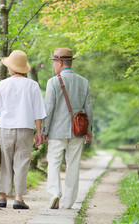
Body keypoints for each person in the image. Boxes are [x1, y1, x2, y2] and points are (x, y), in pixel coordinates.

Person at [0, 50, 46, 209]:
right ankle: (19, 198)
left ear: (13, 68)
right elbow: (38, 112)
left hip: (5, 127)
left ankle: (2, 197)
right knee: (22, 162)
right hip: (25, 128)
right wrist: (39, 133)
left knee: (5, 161)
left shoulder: (3, 84)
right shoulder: (33, 85)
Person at [41, 48, 93, 209]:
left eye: (55, 62)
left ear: (61, 62)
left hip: (57, 131)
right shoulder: (83, 81)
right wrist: (89, 130)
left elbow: (48, 109)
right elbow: (89, 107)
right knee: (73, 165)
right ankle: (69, 201)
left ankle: (55, 192)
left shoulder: (53, 82)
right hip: (78, 131)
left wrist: (43, 131)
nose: (54, 65)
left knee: (54, 163)